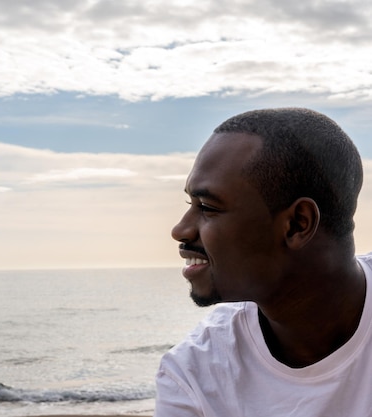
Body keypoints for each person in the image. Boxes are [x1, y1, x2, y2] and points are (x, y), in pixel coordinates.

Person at [155, 108, 371, 416]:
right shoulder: (195, 376)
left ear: (298, 224)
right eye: (191, 204)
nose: (181, 230)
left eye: (208, 208)